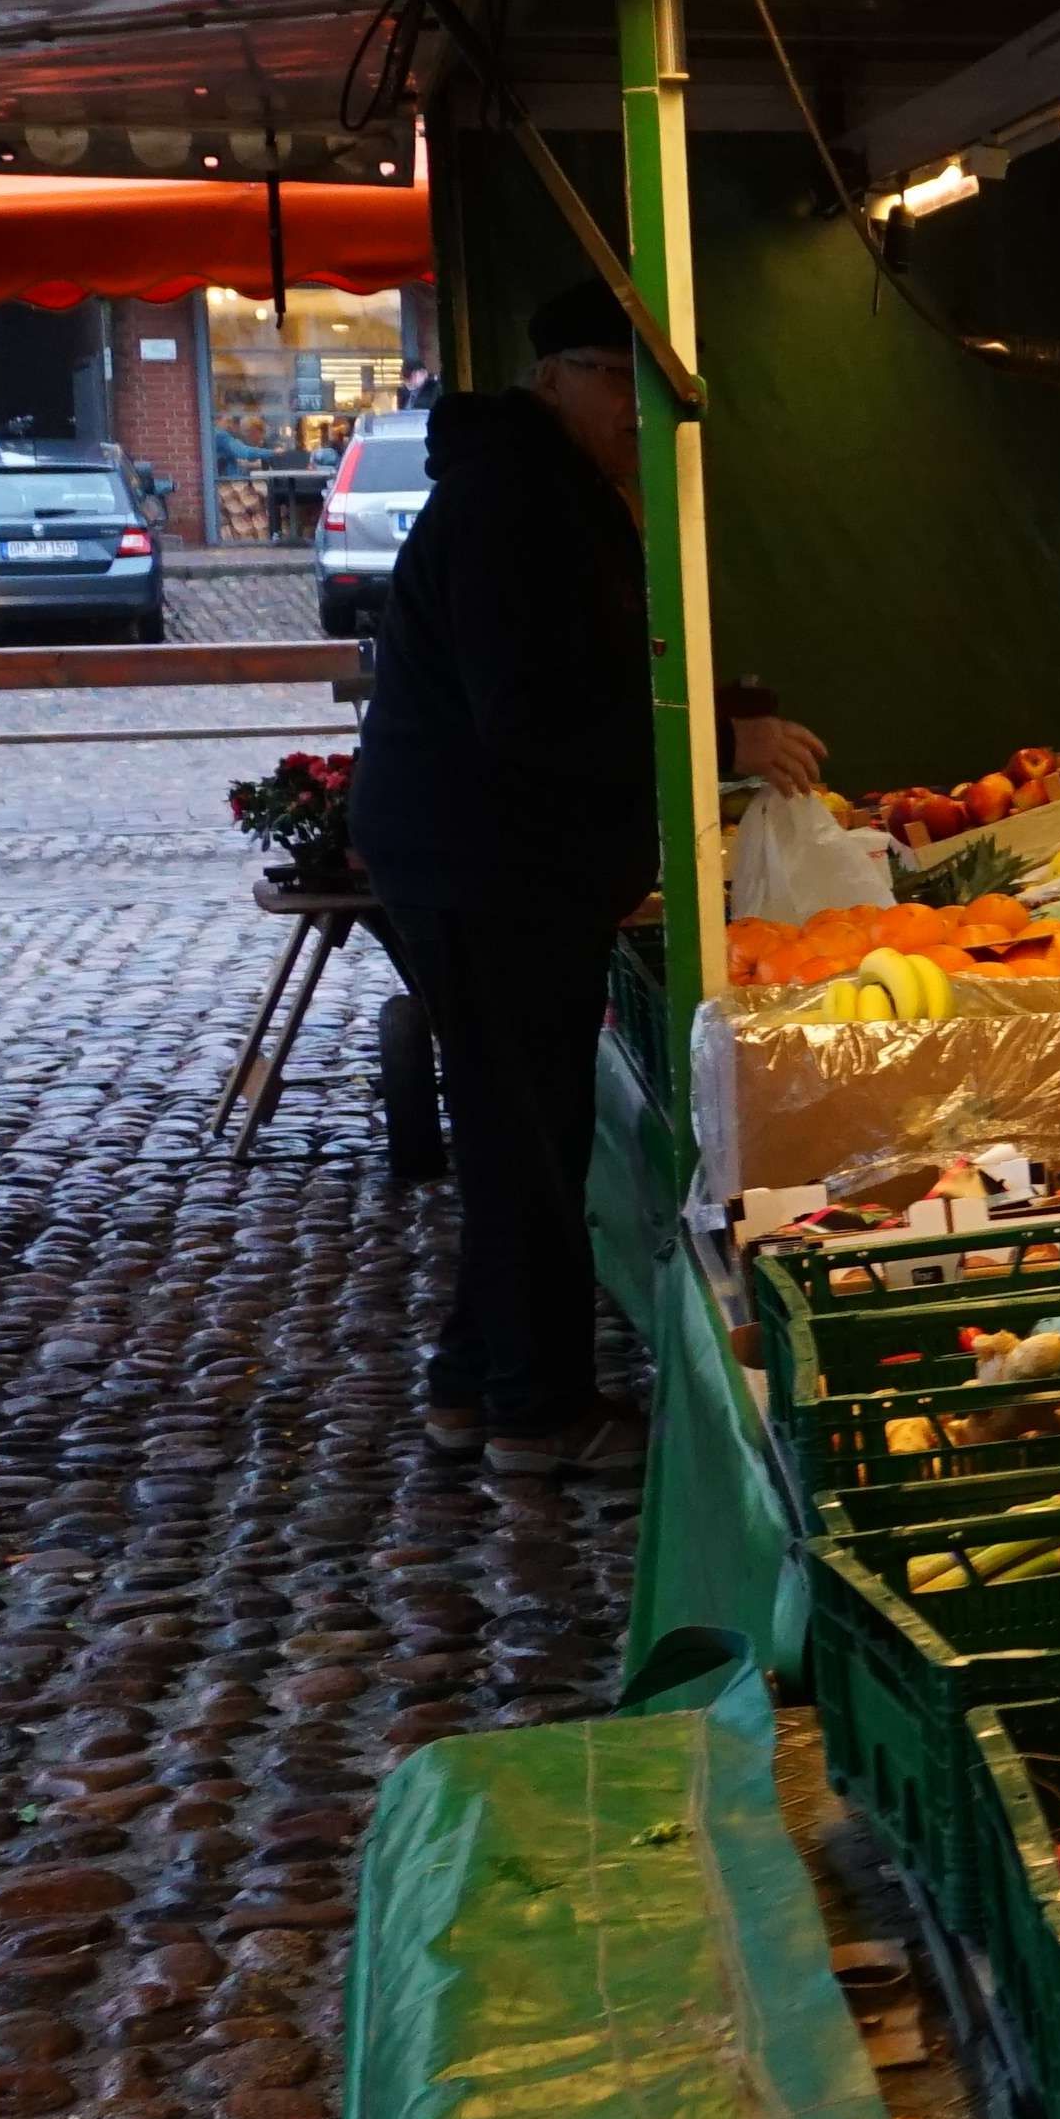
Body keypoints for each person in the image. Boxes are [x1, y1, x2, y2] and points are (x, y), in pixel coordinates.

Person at [348, 281, 755, 1473]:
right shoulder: (513, 503)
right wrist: (704, 751)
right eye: (615, 384)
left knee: (516, 1122)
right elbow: (532, 715)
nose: (636, 415)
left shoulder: (546, 491)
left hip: (492, 858)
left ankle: (474, 1383)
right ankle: (539, 1410)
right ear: (555, 379)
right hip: (486, 863)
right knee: (525, 1133)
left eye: (648, 394)